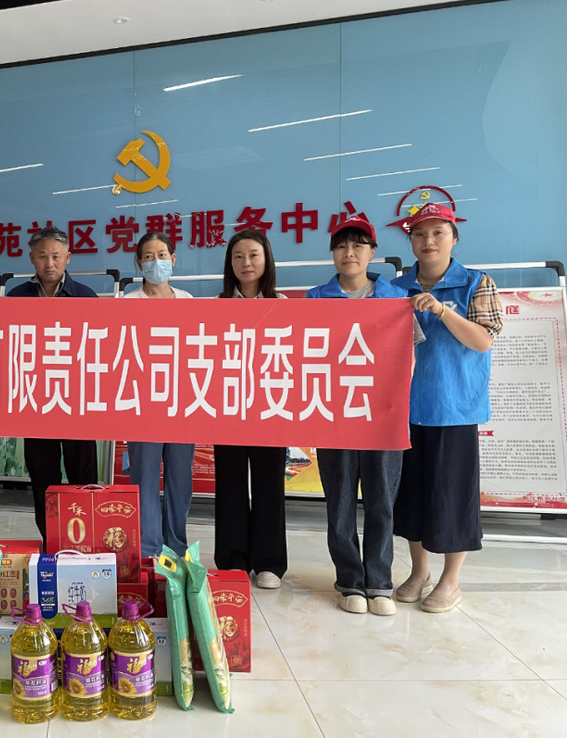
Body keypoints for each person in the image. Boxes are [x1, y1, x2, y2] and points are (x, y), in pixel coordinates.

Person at [306, 215, 424, 616]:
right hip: (333, 416)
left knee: (381, 501)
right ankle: (349, 582)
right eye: (341, 246)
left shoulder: (396, 298)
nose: (349, 253)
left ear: (372, 252)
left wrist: (391, 399)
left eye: (358, 245)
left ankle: (379, 582)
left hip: (383, 418)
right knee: (339, 502)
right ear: (332, 253)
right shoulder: (316, 299)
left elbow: (409, 356)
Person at [391, 203, 503, 613]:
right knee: (411, 496)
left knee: (453, 498)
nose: (429, 241)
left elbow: (483, 341)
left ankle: (450, 581)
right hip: (404, 410)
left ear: (454, 238)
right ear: (410, 241)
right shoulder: (396, 288)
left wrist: (441, 309)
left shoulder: (475, 282)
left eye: (438, 232)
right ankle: (419, 572)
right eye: (420, 234)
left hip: (454, 408)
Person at [6, 226, 99, 548]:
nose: (50, 263)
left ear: (68, 258)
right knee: (43, 477)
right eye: (43, 256)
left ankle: (86, 540)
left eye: (56, 256)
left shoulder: (86, 297)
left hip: (77, 401)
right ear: (32, 258)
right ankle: (52, 540)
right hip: (36, 401)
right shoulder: (15, 298)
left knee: (83, 476)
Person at [213, 229, 288, 589]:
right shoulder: (217, 305)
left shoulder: (283, 303)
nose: (246, 263)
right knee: (229, 482)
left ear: (266, 260)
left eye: (254, 255)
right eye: (238, 256)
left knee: (269, 482)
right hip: (227, 406)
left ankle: (269, 562)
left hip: (270, 406)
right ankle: (232, 559)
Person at [122, 231, 195, 557]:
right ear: (139, 263)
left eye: (162, 255)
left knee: (180, 478)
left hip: (181, 402)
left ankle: (175, 546)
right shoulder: (127, 303)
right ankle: (149, 547)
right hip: (142, 404)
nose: (156, 262)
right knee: (145, 477)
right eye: (149, 256)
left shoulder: (188, 301)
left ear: (173, 260)